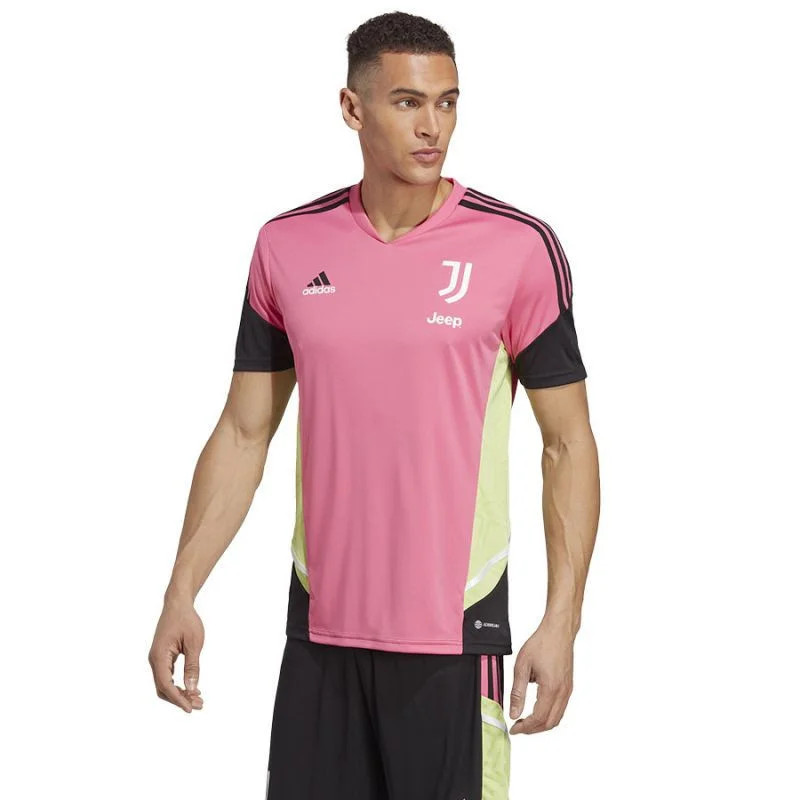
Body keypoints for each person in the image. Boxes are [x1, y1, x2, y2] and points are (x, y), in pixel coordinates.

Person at [148, 10, 600, 800]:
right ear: (352, 108)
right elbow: (245, 431)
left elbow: (567, 443)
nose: (433, 127)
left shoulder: (518, 247)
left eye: (448, 102)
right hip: (319, 633)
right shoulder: (287, 245)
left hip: (455, 636)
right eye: (408, 102)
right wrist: (181, 590)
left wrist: (562, 622)